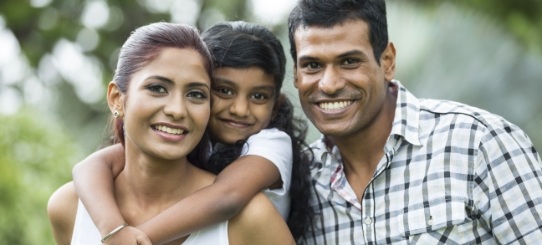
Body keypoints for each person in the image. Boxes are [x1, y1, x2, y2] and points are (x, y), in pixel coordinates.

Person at [287, 0, 542, 244]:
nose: (329, 84)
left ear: (387, 62)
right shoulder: (300, 181)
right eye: (312, 65)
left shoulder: (479, 144)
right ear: (297, 76)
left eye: (349, 61)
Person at [47, 22, 295, 245]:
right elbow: (90, 165)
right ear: (116, 99)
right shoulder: (68, 207)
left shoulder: (253, 210)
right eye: (157, 88)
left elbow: (226, 196)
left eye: (196, 94)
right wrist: (114, 229)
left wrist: (133, 237)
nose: (177, 110)